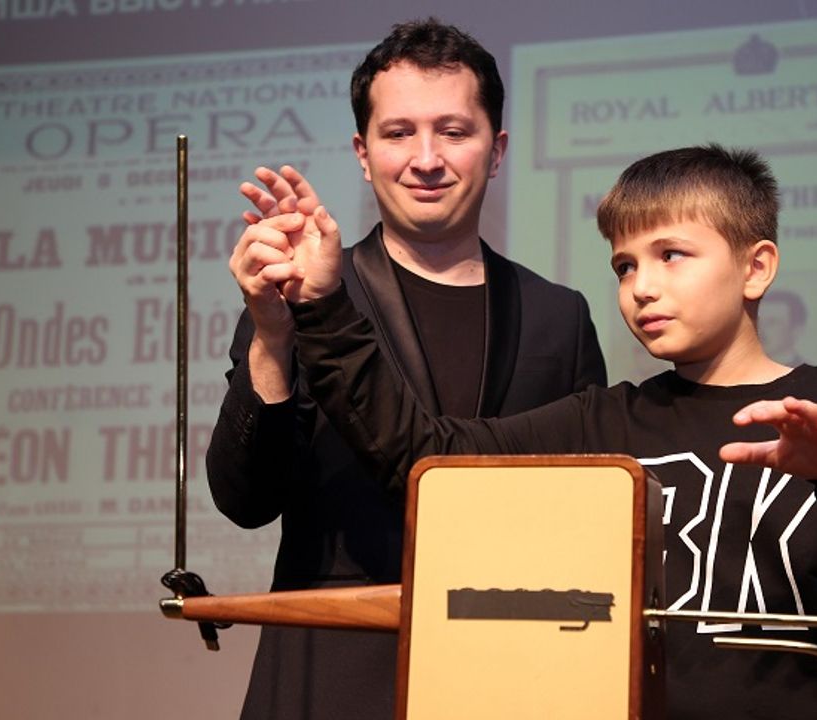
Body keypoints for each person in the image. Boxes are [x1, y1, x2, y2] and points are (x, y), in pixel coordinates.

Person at [250, 143, 817, 719]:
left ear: (756, 267)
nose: (640, 287)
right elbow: (430, 457)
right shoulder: (603, 422)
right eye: (625, 265)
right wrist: (325, 305)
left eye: (671, 255)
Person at [205, 18, 607, 720]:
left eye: (453, 131)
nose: (426, 159)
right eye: (398, 133)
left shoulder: (558, 315)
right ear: (363, 155)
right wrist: (271, 335)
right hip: (331, 669)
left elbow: (588, 518)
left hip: (509, 674)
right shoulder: (301, 291)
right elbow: (245, 500)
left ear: (496, 150)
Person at [757, 288, 807, 366]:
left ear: (796, 331)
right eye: (758, 322)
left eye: (771, 323)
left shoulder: (810, 373)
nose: (760, 330)